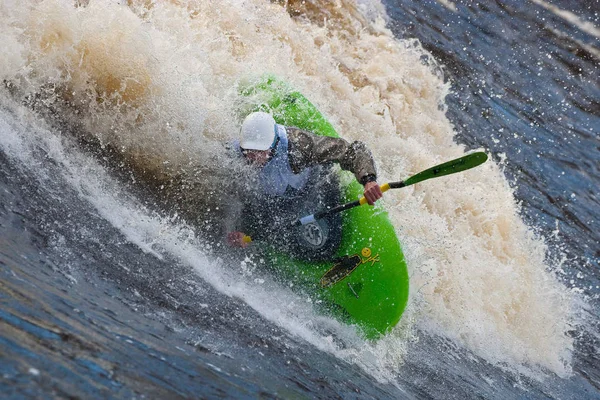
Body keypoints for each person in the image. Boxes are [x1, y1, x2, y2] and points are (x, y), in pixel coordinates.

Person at [226, 111, 383, 260]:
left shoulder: (299, 144)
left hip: (314, 186)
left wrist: (368, 179)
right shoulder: (235, 154)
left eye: (260, 152)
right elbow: (243, 198)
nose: (253, 158)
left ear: (274, 145)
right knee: (290, 240)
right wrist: (243, 230)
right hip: (278, 201)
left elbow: (352, 151)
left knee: (329, 241)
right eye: (248, 151)